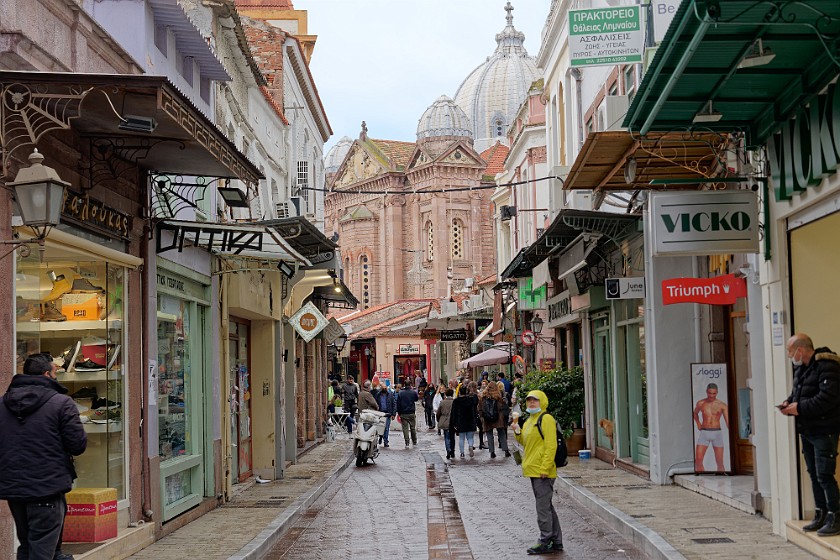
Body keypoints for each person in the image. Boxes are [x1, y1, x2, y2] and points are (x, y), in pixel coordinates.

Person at [0, 353, 87, 560]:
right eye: (55, 373)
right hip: (47, 487)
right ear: (47, 374)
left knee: (29, 545)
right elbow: (77, 445)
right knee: (42, 550)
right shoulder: (61, 403)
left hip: (15, 489)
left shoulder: (3, 404)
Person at [780, 333, 840, 536]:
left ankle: (836, 515)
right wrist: (789, 403)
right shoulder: (802, 369)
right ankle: (821, 513)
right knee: (814, 475)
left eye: (790, 351)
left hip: (824, 430)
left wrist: (800, 408)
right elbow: (798, 393)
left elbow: (828, 398)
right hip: (807, 430)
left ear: (800, 349)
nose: (789, 356)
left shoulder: (827, 365)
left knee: (825, 475)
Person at [512, 390, 563, 555]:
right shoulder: (529, 420)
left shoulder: (545, 418)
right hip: (532, 469)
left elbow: (551, 445)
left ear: (542, 402)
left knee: (542, 508)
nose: (531, 404)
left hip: (542, 471)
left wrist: (545, 468)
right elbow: (525, 443)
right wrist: (517, 430)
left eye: (535, 401)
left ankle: (545, 540)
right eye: (529, 401)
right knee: (546, 505)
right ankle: (556, 540)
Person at [693, 382, 729, 472]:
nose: (712, 395)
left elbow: (728, 422)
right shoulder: (701, 403)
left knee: (720, 462)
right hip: (704, 433)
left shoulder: (722, 405)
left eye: (714, 393)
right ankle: (700, 482)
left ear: (717, 392)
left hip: (717, 433)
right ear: (706, 392)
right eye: (709, 393)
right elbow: (695, 413)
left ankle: (721, 483)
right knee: (698, 460)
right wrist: (698, 423)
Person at [479, 380, 510, 458]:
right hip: (498, 417)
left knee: (489, 434)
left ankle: (492, 452)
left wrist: (482, 415)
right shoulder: (498, 397)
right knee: (501, 433)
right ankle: (506, 450)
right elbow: (501, 407)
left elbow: (480, 408)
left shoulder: (483, 397)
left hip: (487, 418)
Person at [452, 381, 479, 458]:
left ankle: (462, 453)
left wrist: (454, 423)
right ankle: (470, 446)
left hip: (461, 422)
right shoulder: (470, 400)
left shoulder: (456, 401)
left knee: (461, 438)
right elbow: (474, 409)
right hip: (470, 421)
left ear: (459, 392)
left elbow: (454, 413)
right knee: (470, 437)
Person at [396, 383, 419, 448]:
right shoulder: (413, 392)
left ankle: (407, 442)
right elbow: (416, 399)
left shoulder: (401, 393)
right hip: (411, 412)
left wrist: (399, 412)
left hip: (403, 413)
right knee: (413, 428)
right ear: (410, 385)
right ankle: (414, 441)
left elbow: (398, 403)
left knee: (405, 428)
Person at [436, 388, 455, 459]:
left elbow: (438, 413)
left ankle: (448, 450)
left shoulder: (442, 402)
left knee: (446, 437)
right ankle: (452, 452)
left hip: (444, 421)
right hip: (452, 421)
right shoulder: (454, 402)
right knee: (452, 437)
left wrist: (439, 420)